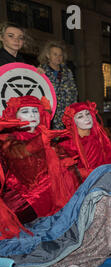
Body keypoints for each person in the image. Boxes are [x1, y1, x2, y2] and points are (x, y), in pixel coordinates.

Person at [0, 95, 80, 225]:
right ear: (15, 115)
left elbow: (69, 167)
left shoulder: (47, 137)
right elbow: (19, 152)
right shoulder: (8, 138)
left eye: (35, 111)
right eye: (25, 111)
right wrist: (41, 141)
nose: (32, 115)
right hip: (22, 197)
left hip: (47, 195)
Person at [59, 100, 111, 180]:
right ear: (72, 121)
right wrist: (94, 173)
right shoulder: (67, 141)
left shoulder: (98, 136)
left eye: (88, 114)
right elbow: (67, 171)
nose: (87, 118)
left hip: (103, 180)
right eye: (80, 116)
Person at [37, 41, 78, 129]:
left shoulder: (68, 72)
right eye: (55, 54)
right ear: (48, 55)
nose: (58, 57)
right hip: (49, 114)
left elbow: (74, 92)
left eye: (60, 55)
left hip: (66, 114)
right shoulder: (41, 71)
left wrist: (73, 110)